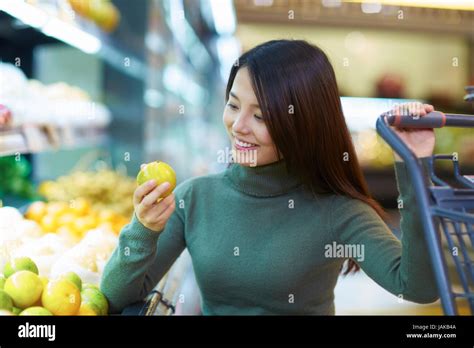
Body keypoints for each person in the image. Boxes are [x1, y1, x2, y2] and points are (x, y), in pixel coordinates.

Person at [101, 40, 439, 315]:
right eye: (233, 106)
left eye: (261, 115)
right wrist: (142, 230)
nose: (239, 126)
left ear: (301, 124)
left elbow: (418, 287)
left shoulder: (338, 211)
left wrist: (414, 167)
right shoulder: (195, 197)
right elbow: (114, 296)